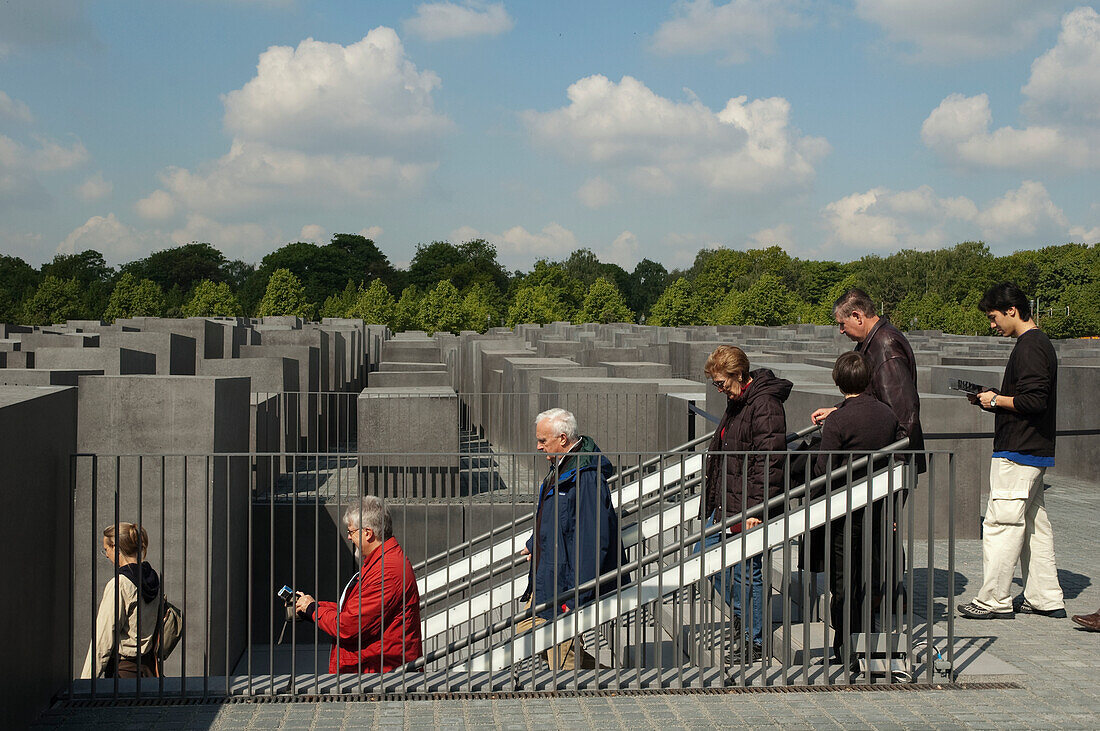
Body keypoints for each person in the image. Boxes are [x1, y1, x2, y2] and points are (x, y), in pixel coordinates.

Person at [958, 283, 1065, 620]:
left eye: (993, 317)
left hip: (1017, 450)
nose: (992, 324)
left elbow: (1034, 400)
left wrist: (995, 399)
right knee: (1034, 525)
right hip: (1034, 449)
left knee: (1002, 523)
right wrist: (994, 400)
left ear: (1012, 311)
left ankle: (994, 600)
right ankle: (1044, 597)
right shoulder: (1040, 343)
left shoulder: (1030, 346)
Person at [699, 345, 792, 662]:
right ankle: (745, 614)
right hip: (728, 502)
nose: (719, 389)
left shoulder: (764, 404)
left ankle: (754, 641)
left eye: (721, 383)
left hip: (749, 508)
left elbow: (768, 463)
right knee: (705, 556)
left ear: (739, 374)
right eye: (716, 384)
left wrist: (755, 512)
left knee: (747, 574)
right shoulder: (739, 401)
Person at [517, 408, 627, 670]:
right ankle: (607, 680)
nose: (538, 447)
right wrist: (536, 542)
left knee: (563, 660)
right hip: (551, 578)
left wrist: (576, 599)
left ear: (563, 439)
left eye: (543, 441)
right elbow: (556, 516)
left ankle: (583, 697)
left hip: (565, 586)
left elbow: (592, 540)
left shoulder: (585, 476)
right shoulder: (563, 468)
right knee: (536, 635)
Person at [811, 352, 902, 664]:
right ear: (868, 380)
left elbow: (824, 468)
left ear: (838, 383)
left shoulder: (838, 420)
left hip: (845, 512)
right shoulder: (887, 414)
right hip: (879, 508)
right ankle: (869, 640)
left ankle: (844, 648)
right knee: (872, 575)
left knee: (844, 581)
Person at [296, 496, 423, 672]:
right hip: (373, 670)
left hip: (378, 676)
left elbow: (348, 626)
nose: (348, 537)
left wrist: (313, 610)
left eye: (351, 532)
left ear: (368, 533)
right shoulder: (381, 562)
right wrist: (312, 607)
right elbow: (355, 612)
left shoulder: (386, 571)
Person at [812, 288, 924, 469]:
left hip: (887, 469)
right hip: (880, 464)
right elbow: (870, 398)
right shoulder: (872, 343)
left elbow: (903, 412)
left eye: (842, 323)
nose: (841, 331)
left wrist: (897, 467)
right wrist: (838, 410)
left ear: (857, 316)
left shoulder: (885, 346)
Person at [81, 523, 161, 679]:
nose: (106, 555)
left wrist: (85, 683)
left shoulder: (120, 584)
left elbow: (103, 639)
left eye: (106, 549)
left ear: (116, 549)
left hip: (123, 675)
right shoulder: (151, 578)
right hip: (149, 672)